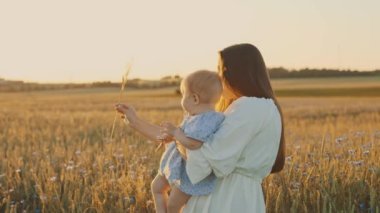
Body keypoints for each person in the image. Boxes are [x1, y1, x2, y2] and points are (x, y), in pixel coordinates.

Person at [116, 43, 285, 213]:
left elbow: (203, 157)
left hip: (226, 199)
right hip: (224, 196)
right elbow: (185, 143)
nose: (217, 78)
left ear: (237, 73)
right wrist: (136, 122)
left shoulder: (252, 106)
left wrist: (179, 137)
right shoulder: (243, 108)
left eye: (220, 70)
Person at [117, 70, 225, 213]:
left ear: (194, 99)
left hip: (188, 176)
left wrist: (175, 133)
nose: (181, 100)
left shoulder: (208, 119)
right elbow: (176, 137)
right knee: (156, 187)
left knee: (174, 205)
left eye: (183, 95)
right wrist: (167, 135)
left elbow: (194, 144)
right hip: (177, 166)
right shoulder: (194, 117)